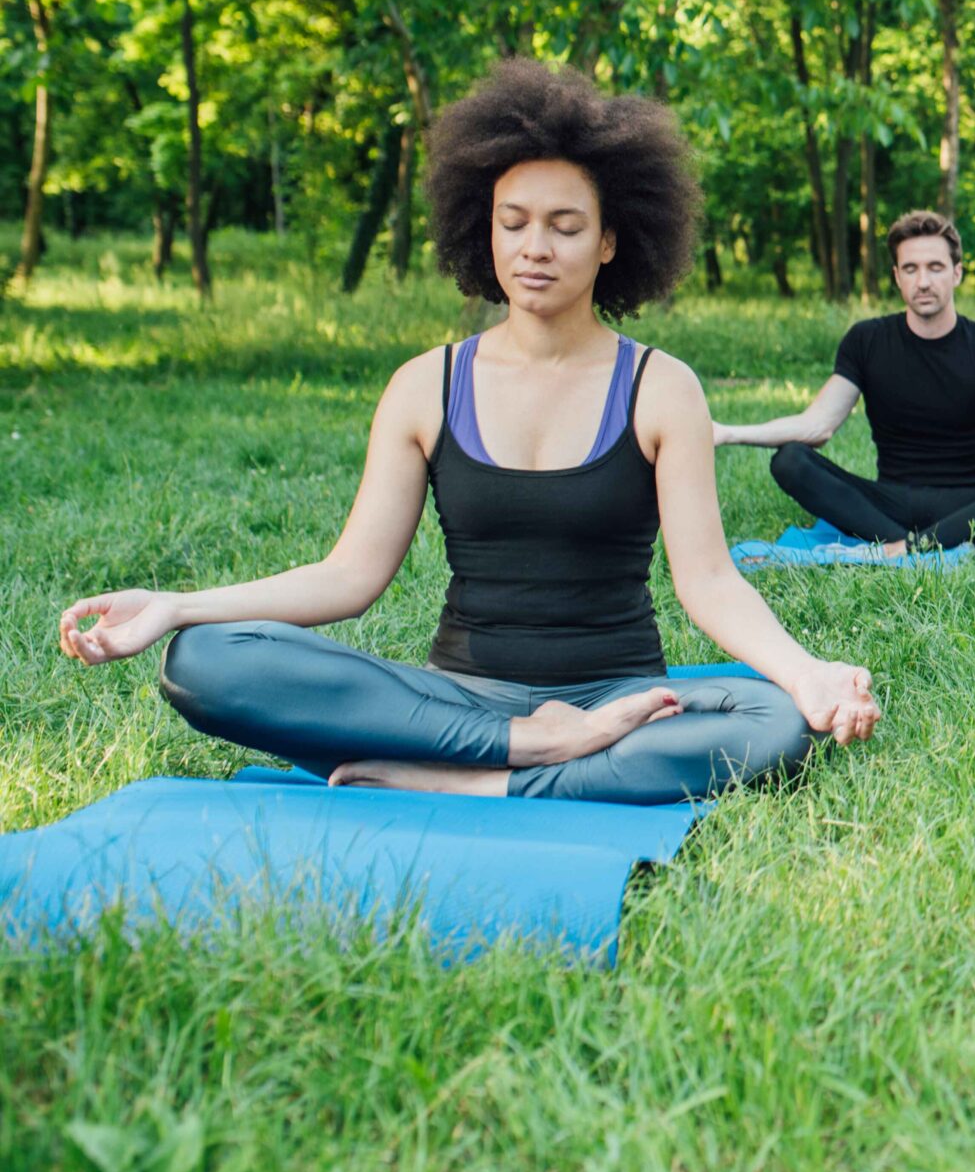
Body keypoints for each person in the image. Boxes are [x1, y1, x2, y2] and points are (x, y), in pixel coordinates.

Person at [56, 61, 881, 802]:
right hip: (454, 701)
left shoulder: (662, 387)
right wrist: (175, 605)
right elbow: (351, 574)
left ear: (610, 241)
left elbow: (707, 581)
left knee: (770, 722)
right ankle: (523, 753)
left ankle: (471, 784)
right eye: (512, 221)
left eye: (565, 225)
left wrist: (807, 675)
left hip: (617, 701)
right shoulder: (426, 384)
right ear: (482, 230)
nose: (535, 247)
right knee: (204, 660)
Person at [714, 210, 975, 555]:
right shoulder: (866, 340)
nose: (923, 281)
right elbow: (816, 426)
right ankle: (916, 546)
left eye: (935, 267)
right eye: (911, 268)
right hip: (886, 503)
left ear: (957, 273)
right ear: (897, 276)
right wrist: (727, 433)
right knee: (789, 459)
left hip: (968, 503)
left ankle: (902, 548)